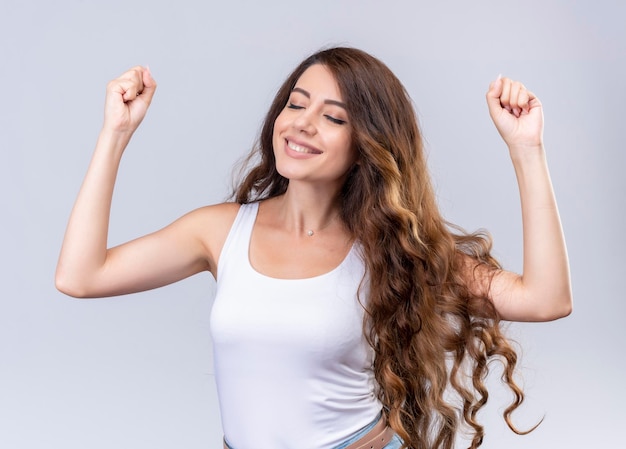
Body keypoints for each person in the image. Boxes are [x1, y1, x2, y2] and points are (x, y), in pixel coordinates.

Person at [55, 47, 572, 449]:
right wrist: (115, 134)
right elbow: (81, 277)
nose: (301, 122)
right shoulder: (217, 231)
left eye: (334, 116)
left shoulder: (392, 247)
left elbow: (545, 299)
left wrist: (527, 150)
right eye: (296, 103)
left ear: (368, 142)